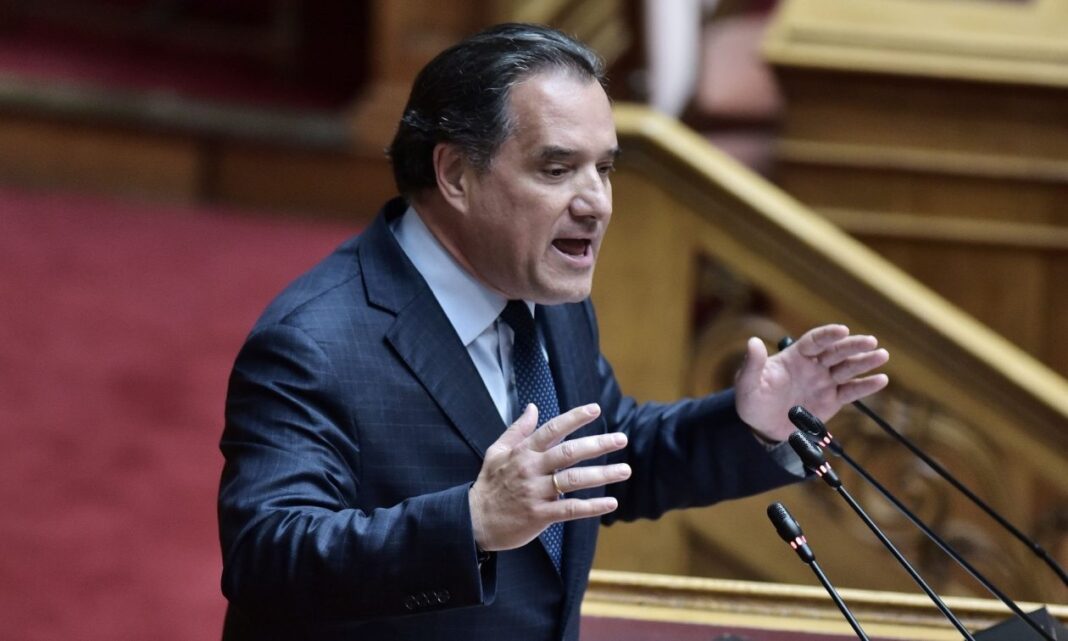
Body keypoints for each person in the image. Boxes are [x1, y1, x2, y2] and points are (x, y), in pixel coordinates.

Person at [217, 23, 889, 641]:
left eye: (605, 168)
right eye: (557, 169)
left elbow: (598, 464)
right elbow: (266, 557)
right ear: (455, 174)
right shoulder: (315, 342)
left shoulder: (543, 293)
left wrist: (751, 425)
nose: (596, 203)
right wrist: (472, 522)